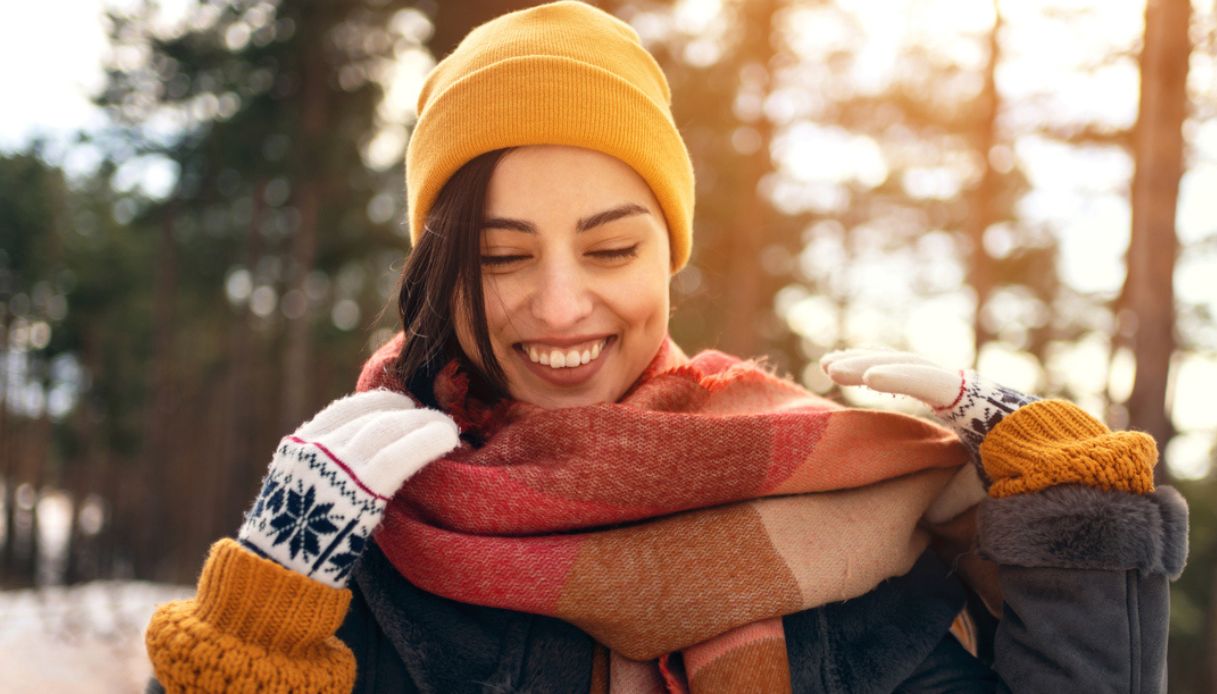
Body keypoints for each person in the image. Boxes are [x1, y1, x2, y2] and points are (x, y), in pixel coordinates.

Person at [144, 2, 1188, 692]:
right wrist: (252, 638)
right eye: (503, 257)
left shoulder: (839, 508)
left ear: (668, 254)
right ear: (438, 272)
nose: (559, 305)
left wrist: (1072, 517)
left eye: (608, 245)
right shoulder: (359, 537)